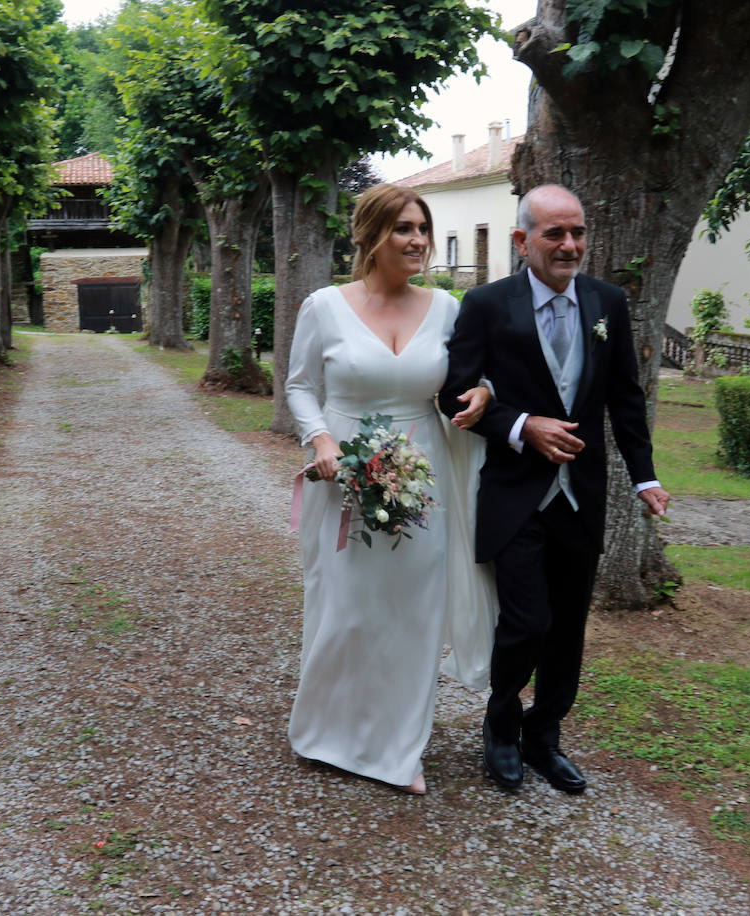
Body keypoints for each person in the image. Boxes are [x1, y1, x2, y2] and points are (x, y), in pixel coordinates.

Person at [439, 184, 672, 794]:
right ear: (522, 242)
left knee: (568, 625)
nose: (569, 246)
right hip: (517, 494)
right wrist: (519, 425)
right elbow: (453, 394)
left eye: (577, 233)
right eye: (554, 234)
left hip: (582, 497)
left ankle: (546, 736)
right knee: (527, 619)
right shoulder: (487, 304)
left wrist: (644, 474)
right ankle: (501, 722)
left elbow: (624, 397)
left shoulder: (607, 303)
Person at [285, 183, 496, 796]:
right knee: (346, 607)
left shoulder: (448, 308)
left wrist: (482, 392)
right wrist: (321, 440)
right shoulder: (324, 307)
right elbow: (300, 386)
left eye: (423, 229)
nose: (419, 241)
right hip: (345, 471)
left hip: (422, 472)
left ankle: (399, 748)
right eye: (405, 228)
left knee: (414, 610)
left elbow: (468, 376)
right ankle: (327, 733)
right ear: (371, 235)